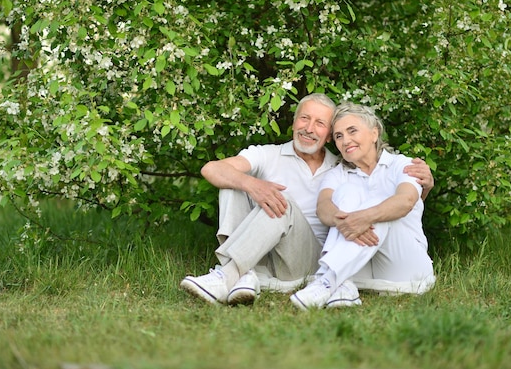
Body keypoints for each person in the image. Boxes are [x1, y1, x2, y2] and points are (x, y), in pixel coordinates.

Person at [180, 94, 434, 306]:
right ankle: (240, 273)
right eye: (304, 118)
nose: (309, 128)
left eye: (320, 124)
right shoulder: (269, 155)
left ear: (327, 136)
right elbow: (212, 169)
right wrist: (254, 185)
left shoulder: (344, 166)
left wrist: (423, 188)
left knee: (287, 203)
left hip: (307, 258)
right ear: (293, 123)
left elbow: (398, 198)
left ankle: (229, 275)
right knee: (232, 183)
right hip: (264, 255)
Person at [290, 102, 436, 310]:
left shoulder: (402, 165)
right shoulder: (337, 174)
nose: (345, 140)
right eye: (339, 136)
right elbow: (323, 208)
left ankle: (327, 279)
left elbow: (405, 201)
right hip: (360, 269)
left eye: (352, 131)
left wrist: (365, 218)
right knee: (349, 192)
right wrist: (348, 223)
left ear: (374, 133)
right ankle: (342, 286)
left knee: (382, 203)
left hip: (406, 269)